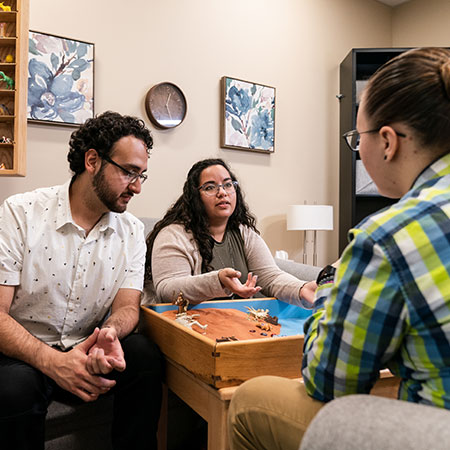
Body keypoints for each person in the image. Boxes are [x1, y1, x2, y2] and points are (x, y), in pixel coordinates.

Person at [228, 46, 450, 449]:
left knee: (248, 401)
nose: (358, 149)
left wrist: (330, 280)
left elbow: (329, 381)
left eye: (356, 137)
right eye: (212, 186)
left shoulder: (388, 236)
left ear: (387, 142)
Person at [0, 111, 163, 450]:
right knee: (14, 388)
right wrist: (54, 362)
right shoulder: (20, 212)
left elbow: (128, 308)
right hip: (23, 352)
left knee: (144, 355)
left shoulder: (132, 231)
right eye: (129, 172)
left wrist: (110, 336)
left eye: (142, 176)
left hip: (88, 346)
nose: (137, 187)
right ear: (92, 161)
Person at [143, 157, 316, 306]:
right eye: (210, 187)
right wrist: (217, 280)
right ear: (195, 196)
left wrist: (301, 289)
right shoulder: (173, 235)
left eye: (227, 185)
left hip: (243, 322)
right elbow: (168, 290)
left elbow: (270, 277)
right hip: (191, 328)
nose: (222, 193)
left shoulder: (244, 233)